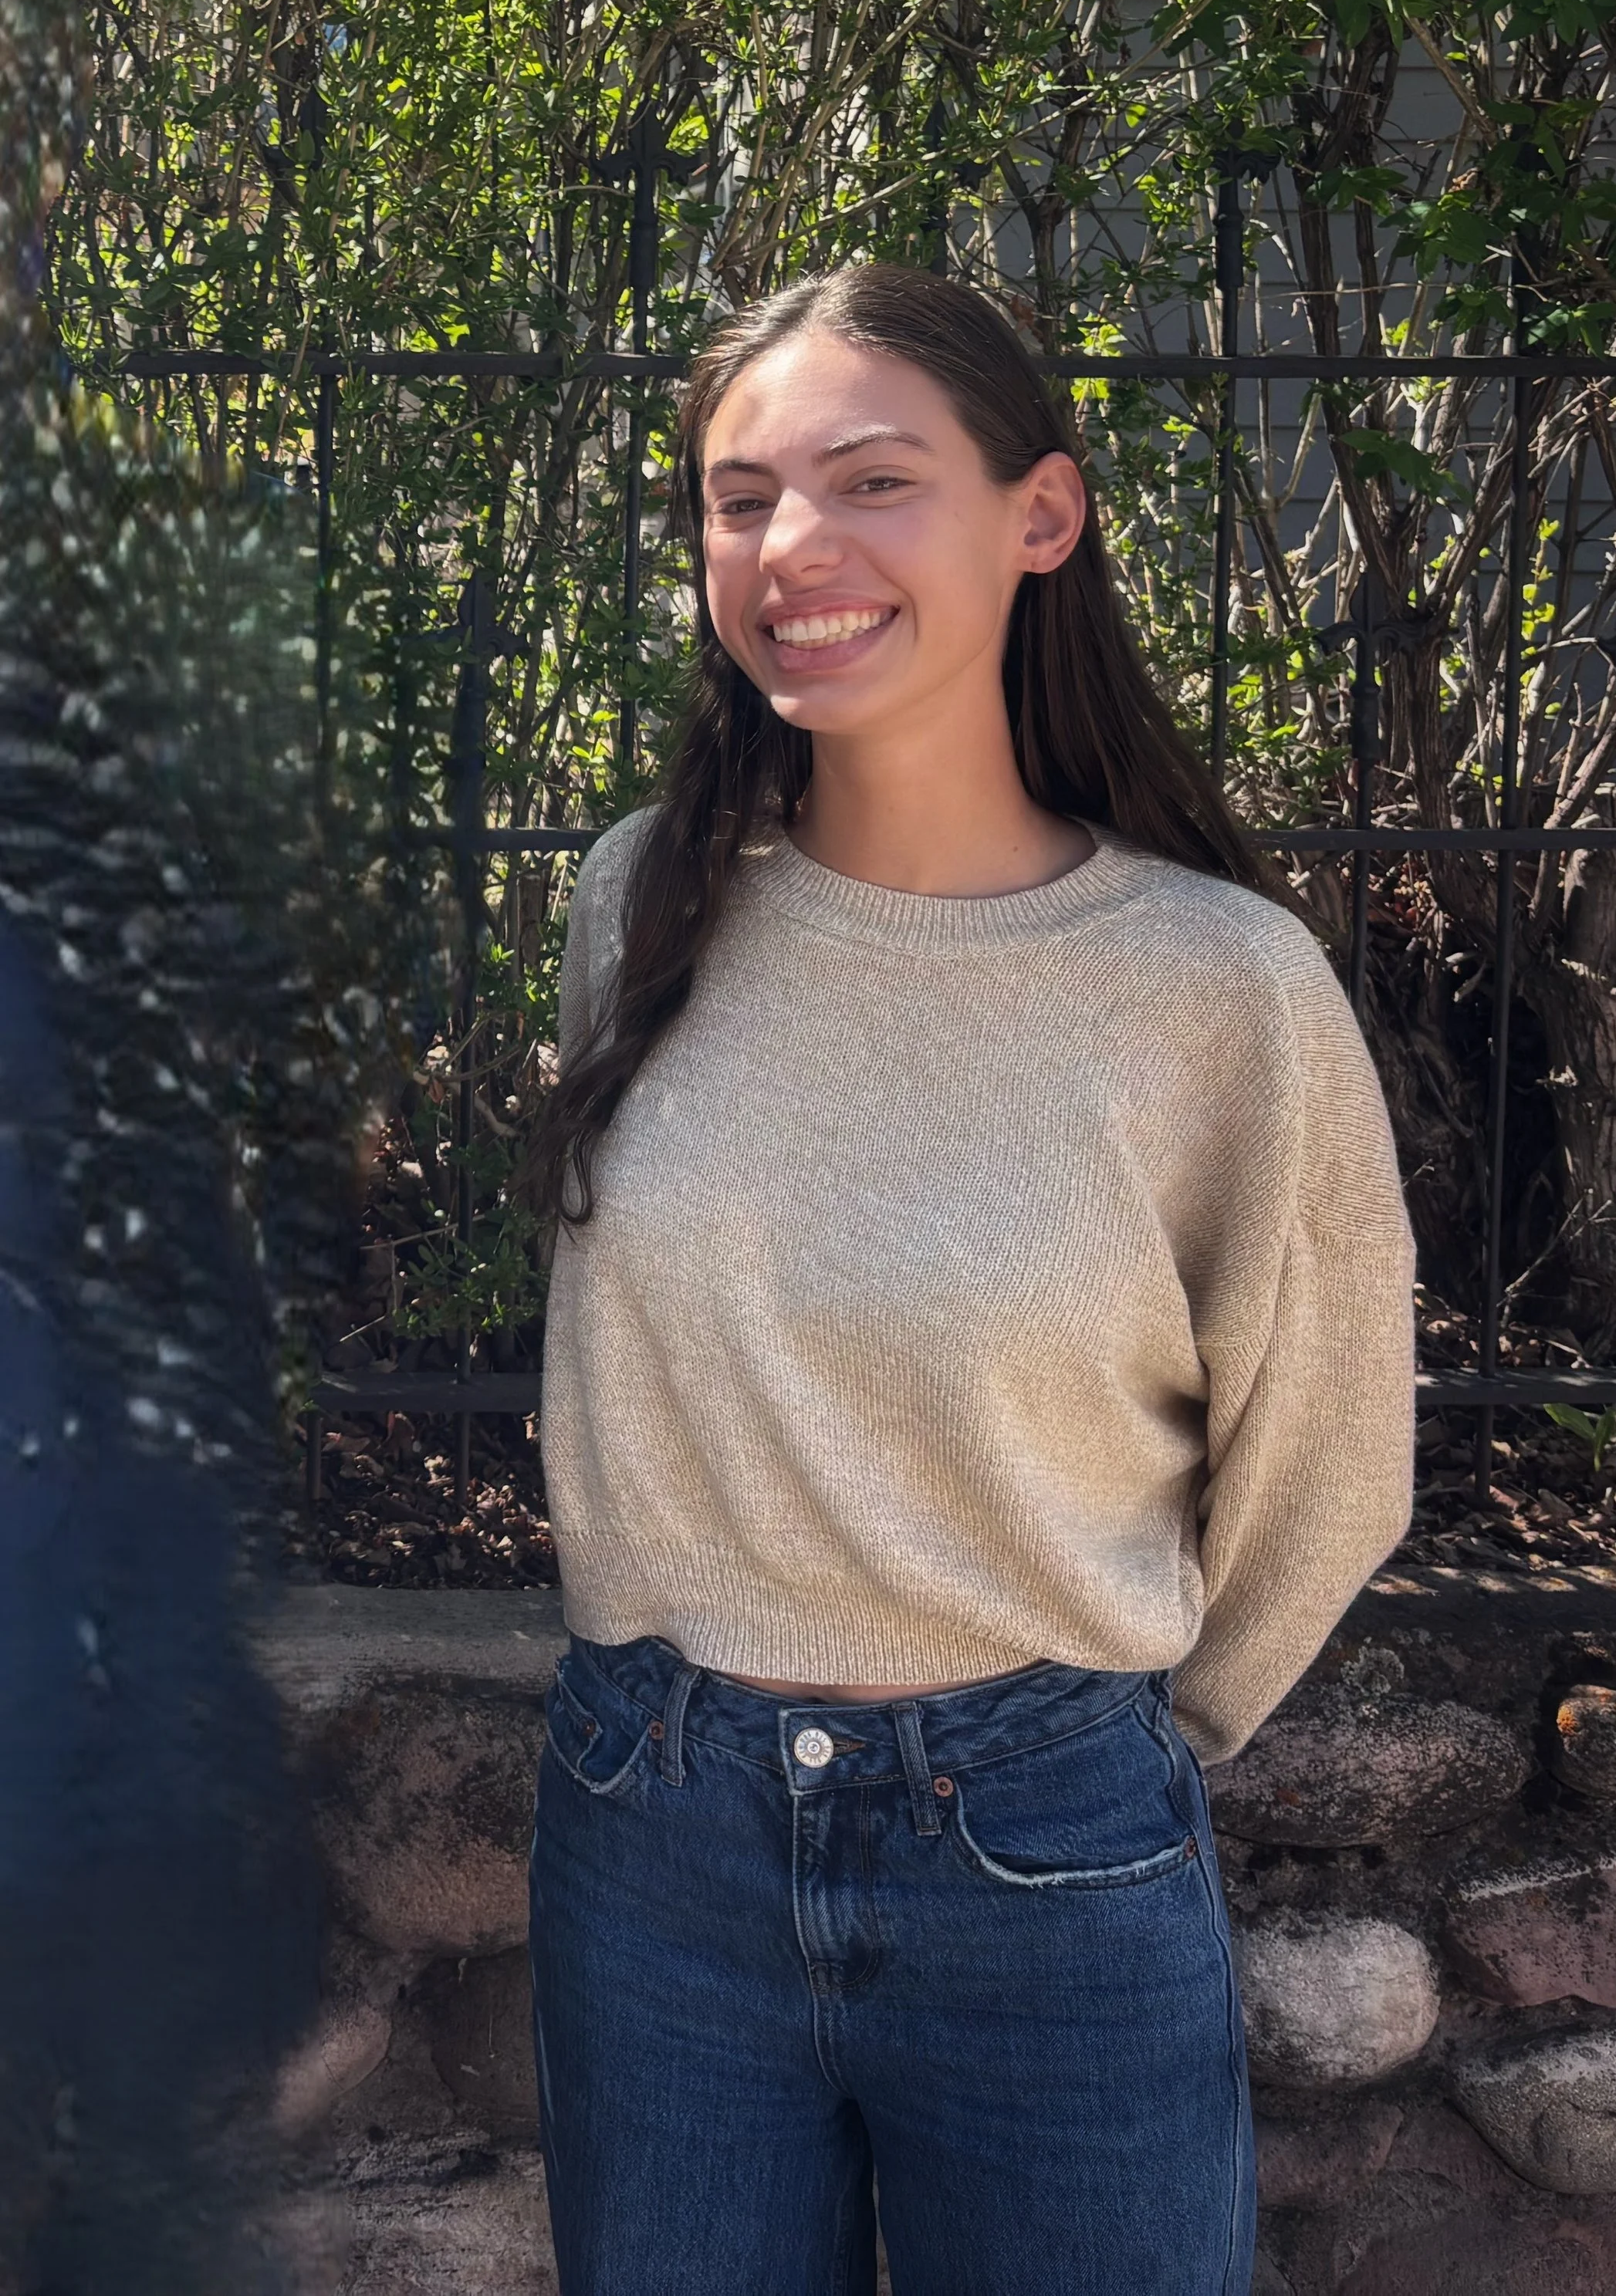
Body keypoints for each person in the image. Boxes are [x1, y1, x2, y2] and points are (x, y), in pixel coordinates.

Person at [519, 262, 1415, 2296]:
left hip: (1047, 1847)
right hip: (650, 1832)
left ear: (1040, 515)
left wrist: (1094, 1734)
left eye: (868, 480)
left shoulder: (1212, 990)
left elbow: (1330, 1445)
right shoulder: (634, 901)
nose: (791, 550)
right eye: (738, 497)